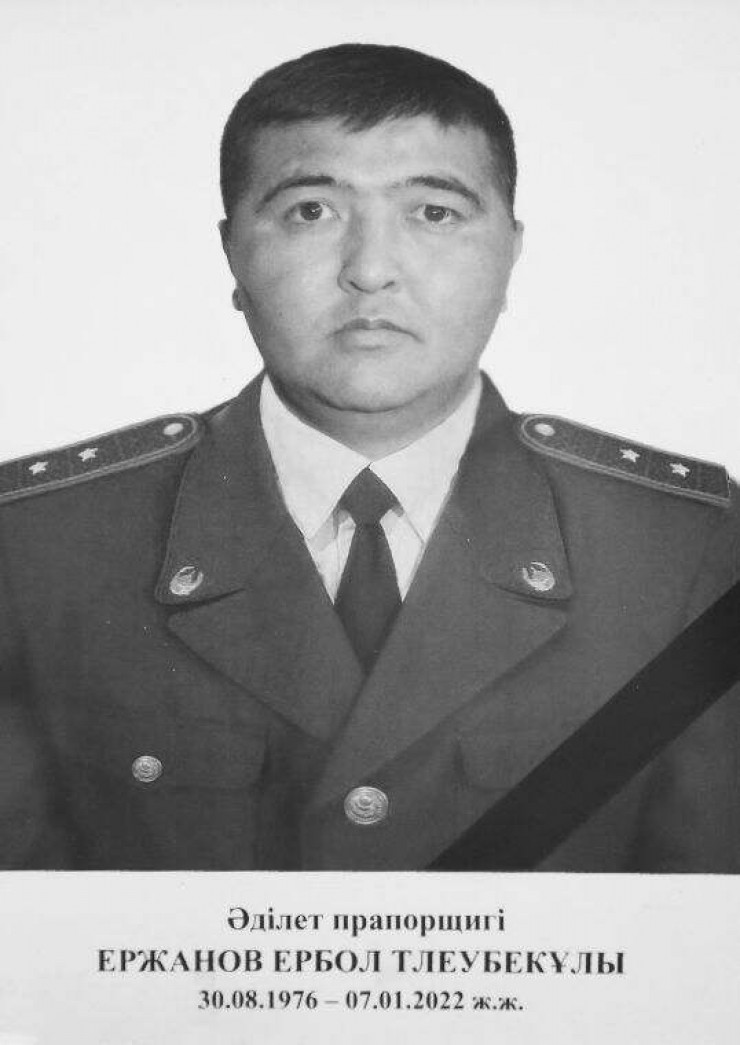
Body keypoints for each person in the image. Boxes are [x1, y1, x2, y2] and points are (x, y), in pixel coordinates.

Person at [0, 43, 738, 871]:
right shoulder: (40, 546)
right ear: (232, 252)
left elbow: (706, 933)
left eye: (435, 213)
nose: (371, 271)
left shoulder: (684, 552)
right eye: (311, 211)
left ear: (510, 252)